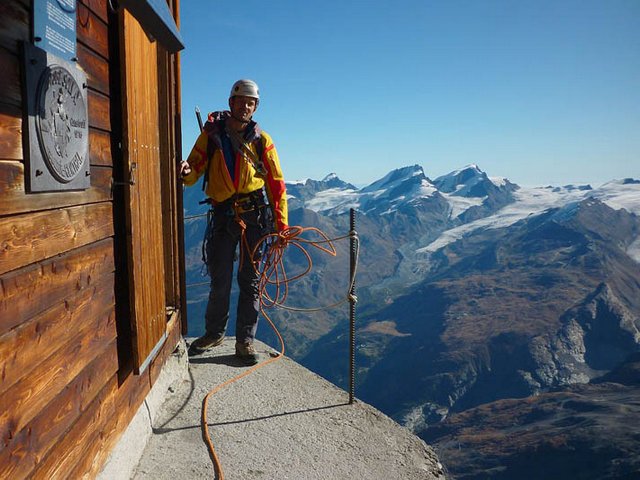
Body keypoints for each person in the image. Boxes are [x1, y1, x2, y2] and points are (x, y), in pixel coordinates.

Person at [180, 79, 288, 365]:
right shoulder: (212, 135)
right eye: (241, 101)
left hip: (254, 218)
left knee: (250, 281)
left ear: (255, 107)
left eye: (250, 102)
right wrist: (186, 172)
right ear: (231, 103)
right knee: (220, 279)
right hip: (224, 215)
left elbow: (276, 184)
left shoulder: (262, 140)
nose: (245, 106)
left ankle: (244, 341)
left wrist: (282, 226)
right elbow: (193, 169)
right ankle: (215, 333)